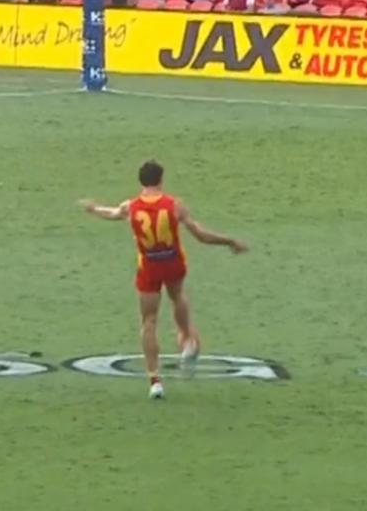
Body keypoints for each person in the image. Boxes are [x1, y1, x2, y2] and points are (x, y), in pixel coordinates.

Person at [80, 160, 247, 399]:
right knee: (177, 295)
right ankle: (187, 338)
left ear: (141, 181)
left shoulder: (132, 207)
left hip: (149, 265)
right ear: (161, 179)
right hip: (172, 261)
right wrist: (230, 241)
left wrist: (94, 209)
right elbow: (200, 235)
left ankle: (154, 380)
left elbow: (113, 213)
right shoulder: (174, 205)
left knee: (148, 321)